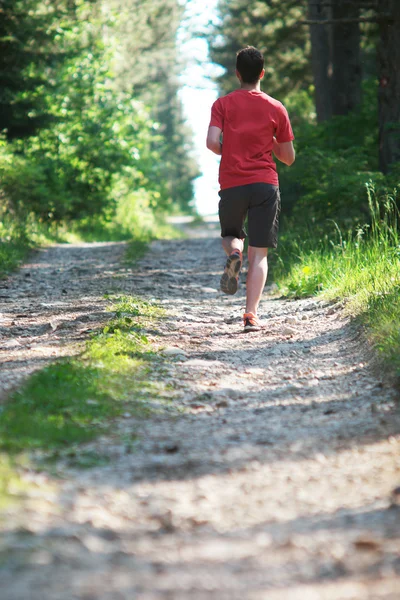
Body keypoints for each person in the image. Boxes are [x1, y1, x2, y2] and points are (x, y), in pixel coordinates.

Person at [206, 46, 295, 332]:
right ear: (262, 73)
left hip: (232, 182)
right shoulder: (275, 107)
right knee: (260, 253)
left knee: (232, 235)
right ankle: (250, 316)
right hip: (265, 184)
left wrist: (231, 148)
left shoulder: (223, 104)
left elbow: (211, 142)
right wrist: (266, 142)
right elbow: (288, 158)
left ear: (237, 74)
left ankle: (234, 255)